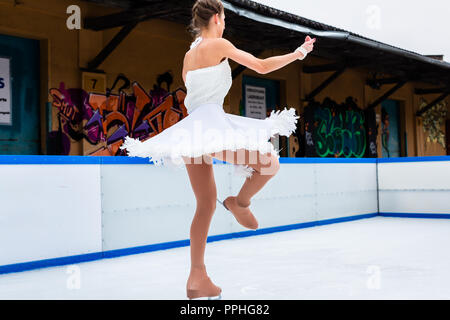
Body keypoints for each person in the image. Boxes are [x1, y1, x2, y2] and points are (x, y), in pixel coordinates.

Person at [120, 0, 316, 300]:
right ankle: (240, 202)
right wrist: (299, 53)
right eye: (224, 17)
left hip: (192, 131)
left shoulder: (188, 56)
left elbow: (195, 93)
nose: (225, 22)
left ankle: (196, 278)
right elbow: (261, 66)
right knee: (270, 163)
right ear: (215, 18)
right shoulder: (218, 44)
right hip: (210, 126)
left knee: (206, 204)